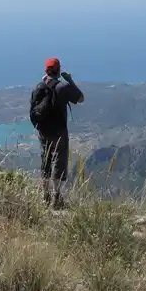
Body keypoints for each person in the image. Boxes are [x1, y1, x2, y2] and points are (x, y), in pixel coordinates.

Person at [29, 57, 85, 208]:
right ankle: (57, 197)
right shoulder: (63, 87)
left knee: (45, 161)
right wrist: (70, 81)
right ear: (59, 70)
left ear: (46, 70)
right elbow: (81, 98)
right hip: (59, 131)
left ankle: (45, 196)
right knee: (59, 162)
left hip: (43, 131)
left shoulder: (38, 87)